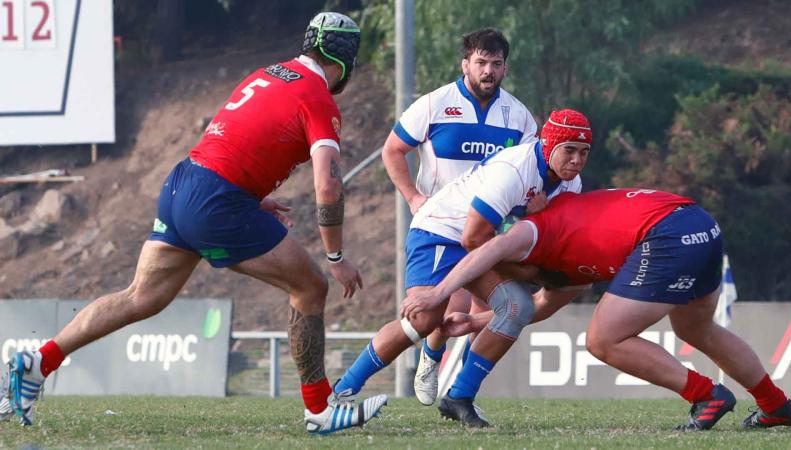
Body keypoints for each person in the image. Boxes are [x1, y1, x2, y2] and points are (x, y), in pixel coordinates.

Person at [0, 12, 388, 433]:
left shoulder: (271, 74)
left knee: (141, 297)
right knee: (311, 284)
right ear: (346, 59)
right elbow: (328, 186)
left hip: (184, 182)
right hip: (217, 200)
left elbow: (238, 138)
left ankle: (39, 362)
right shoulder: (318, 97)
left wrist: (250, 195)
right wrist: (336, 255)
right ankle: (320, 409)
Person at [401, 188, 791, 430]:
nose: (520, 286)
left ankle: (707, 396)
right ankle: (776, 405)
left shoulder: (528, 233)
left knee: (602, 340)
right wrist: (473, 320)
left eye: (515, 279)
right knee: (698, 330)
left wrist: (437, 294)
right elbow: (537, 307)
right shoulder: (562, 264)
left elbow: (481, 254)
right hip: (700, 224)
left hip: (667, 234)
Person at [329, 109, 592, 413]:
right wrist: (523, 266)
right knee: (424, 319)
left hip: (484, 243)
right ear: (548, 144)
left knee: (517, 307)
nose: (576, 160)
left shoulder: (572, 185)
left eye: (584, 152)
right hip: (440, 232)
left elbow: (529, 236)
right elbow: (471, 239)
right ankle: (342, 391)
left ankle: (460, 398)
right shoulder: (514, 170)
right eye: (569, 150)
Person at [381, 27, 537, 406]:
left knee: (489, 313)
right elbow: (392, 150)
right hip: (442, 227)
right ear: (465, 63)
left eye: (496, 64)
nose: (488, 71)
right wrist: (414, 197)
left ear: (505, 68)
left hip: (490, 230)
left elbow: (534, 168)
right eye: (481, 62)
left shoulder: (518, 117)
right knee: (446, 311)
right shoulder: (434, 104)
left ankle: (463, 394)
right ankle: (431, 359)